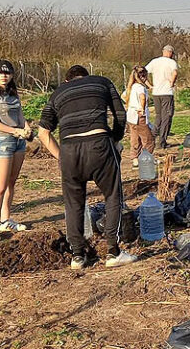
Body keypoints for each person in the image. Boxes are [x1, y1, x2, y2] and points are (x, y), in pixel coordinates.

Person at [37, 66, 137, 269]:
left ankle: (77, 256)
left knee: (73, 203)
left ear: (67, 81)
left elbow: (43, 133)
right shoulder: (102, 82)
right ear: (86, 77)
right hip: (99, 145)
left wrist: (61, 157)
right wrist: (115, 141)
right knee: (112, 196)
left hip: (69, 150)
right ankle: (113, 252)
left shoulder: (58, 93)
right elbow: (120, 114)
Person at [0, 60, 31, 242]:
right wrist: (14, 131)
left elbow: (20, 116)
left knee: (11, 182)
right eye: (0, 73)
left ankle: (5, 220)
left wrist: (26, 128)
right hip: (1, 142)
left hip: (18, 142)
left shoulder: (12, 93)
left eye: (7, 73)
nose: (4, 76)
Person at [146, 45, 178, 149]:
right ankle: (162, 141)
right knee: (167, 117)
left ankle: (152, 139)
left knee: (158, 116)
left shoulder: (154, 61)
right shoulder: (171, 62)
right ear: (170, 53)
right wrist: (172, 83)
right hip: (167, 93)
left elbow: (142, 73)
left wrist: (149, 85)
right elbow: (175, 73)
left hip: (156, 93)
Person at [124, 66, 155, 168]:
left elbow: (123, 96)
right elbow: (142, 97)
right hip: (139, 117)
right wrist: (141, 107)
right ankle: (145, 160)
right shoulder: (140, 87)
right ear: (143, 76)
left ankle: (135, 159)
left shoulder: (131, 87)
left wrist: (130, 104)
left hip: (131, 117)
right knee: (149, 140)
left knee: (135, 138)